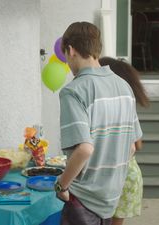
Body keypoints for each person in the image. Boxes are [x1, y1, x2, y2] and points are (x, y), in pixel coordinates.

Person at [55, 22, 142, 225]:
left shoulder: (74, 91)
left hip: (83, 198)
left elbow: (84, 149)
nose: (68, 63)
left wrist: (62, 185)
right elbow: (131, 147)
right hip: (110, 199)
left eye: (66, 57)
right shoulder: (124, 86)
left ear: (71, 50)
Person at [99, 57, 149, 225]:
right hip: (130, 174)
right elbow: (138, 144)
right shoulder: (126, 105)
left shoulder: (106, 108)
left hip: (115, 176)